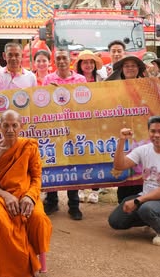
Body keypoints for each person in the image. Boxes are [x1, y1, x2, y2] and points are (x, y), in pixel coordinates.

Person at [0, 110, 52, 277]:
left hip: (26, 194)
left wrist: (29, 197)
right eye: (6, 125)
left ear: (21, 126)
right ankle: (16, 268)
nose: (10, 130)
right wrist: (6, 196)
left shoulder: (29, 147)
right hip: (1, 196)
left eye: (14, 125)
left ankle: (28, 259)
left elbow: (36, 178)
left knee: (38, 218)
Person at [108, 116, 160, 246]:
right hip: (147, 199)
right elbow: (119, 165)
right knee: (116, 221)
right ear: (149, 132)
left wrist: (137, 201)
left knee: (146, 209)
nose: (156, 135)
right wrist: (121, 141)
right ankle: (151, 220)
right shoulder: (144, 150)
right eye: (153, 131)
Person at [42, 49, 87, 220]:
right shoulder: (48, 79)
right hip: (54, 127)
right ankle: (52, 200)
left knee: (72, 163)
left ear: (70, 61)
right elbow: (42, 102)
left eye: (64, 58)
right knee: (52, 162)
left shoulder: (80, 80)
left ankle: (74, 204)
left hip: (74, 127)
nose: (61, 61)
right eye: (58, 58)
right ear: (54, 61)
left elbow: (84, 102)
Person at [105, 55, 148, 202]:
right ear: (122, 69)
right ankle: (123, 204)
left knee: (141, 171)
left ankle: (141, 203)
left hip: (142, 135)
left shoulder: (148, 86)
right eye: (127, 66)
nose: (130, 68)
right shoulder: (113, 88)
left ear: (139, 69)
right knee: (124, 168)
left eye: (133, 65)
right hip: (121, 135)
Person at [75, 49, 105, 203]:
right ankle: (80, 188)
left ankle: (95, 190)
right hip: (78, 122)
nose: (88, 65)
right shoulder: (75, 79)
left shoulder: (101, 78)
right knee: (80, 154)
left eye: (91, 62)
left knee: (96, 154)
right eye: (85, 62)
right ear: (80, 65)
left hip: (97, 122)